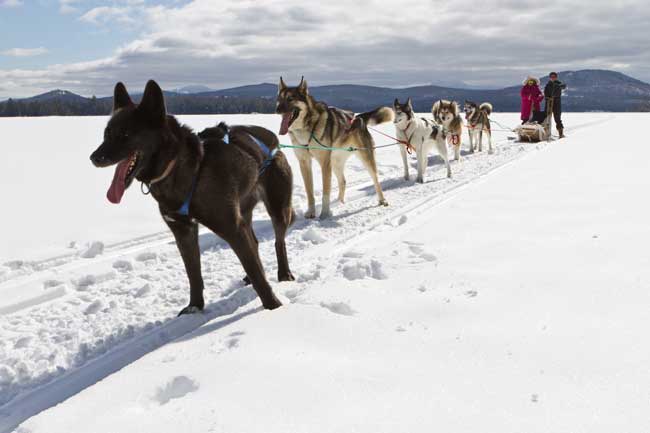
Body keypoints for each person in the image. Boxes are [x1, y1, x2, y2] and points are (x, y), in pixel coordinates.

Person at [544, 71, 567, 138]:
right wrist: (548, 98)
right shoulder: (548, 85)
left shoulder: (559, 83)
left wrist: (561, 86)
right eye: (551, 77)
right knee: (546, 118)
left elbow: (564, 86)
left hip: (557, 103)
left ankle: (561, 133)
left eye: (554, 77)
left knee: (557, 118)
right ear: (550, 78)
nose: (553, 78)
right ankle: (546, 133)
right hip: (549, 103)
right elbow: (545, 94)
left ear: (556, 77)